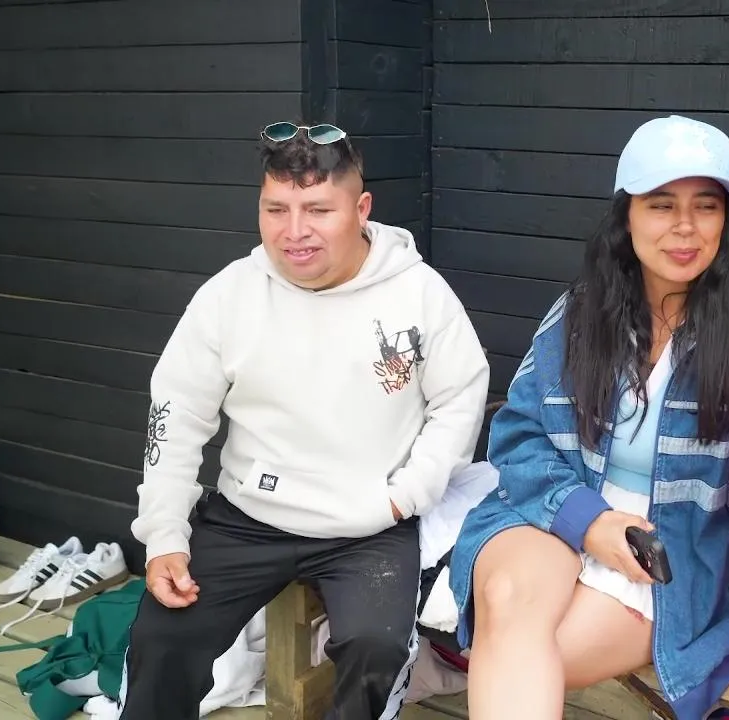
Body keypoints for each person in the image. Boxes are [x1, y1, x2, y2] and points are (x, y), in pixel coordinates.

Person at [120, 121, 490, 720]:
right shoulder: (229, 295)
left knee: (376, 649)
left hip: (370, 523)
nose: (294, 232)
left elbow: (459, 399)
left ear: (361, 209)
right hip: (249, 515)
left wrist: (405, 496)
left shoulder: (420, 294)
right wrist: (164, 534)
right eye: (276, 210)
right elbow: (176, 411)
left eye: (318, 210)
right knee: (162, 638)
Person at [447, 114, 729, 720]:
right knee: (508, 602)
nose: (685, 227)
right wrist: (588, 521)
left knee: (520, 657)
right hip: (557, 507)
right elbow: (520, 435)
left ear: (726, 219)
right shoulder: (580, 314)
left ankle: (434, 667)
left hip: (673, 551)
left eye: (706, 206)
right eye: (661, 205)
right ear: (627, 215)